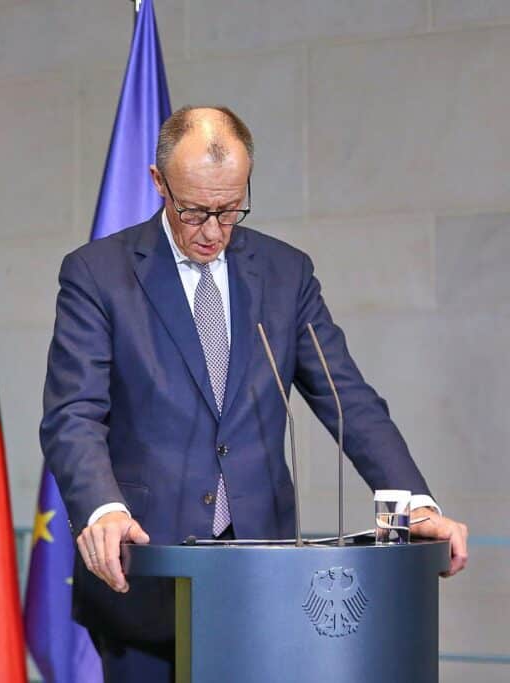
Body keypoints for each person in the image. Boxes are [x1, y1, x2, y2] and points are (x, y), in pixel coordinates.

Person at [39, 106, 468, 680]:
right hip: (144, 570)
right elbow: (74, 414)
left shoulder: (285, 273)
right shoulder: (98, 273)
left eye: (230, 209)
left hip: (265, 581)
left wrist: (414, 502)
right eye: (194, 211)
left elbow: (348, 398)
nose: (212, 232)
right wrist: (103, 508)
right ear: (158, 183)